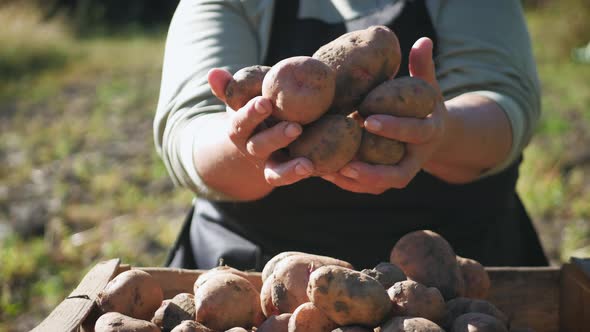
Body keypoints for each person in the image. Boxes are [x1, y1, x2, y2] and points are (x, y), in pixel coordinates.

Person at [154, 0, 548, 271]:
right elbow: (188, 130)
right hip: (253, 275)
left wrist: (440, 134)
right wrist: (243, 146)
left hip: (453, 268)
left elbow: (507, 101)